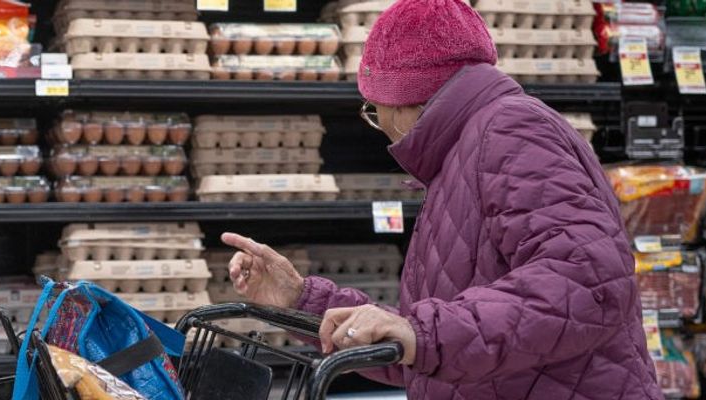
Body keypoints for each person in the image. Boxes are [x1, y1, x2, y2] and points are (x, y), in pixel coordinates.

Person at [221, 0, 662, 398]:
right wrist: (302, 299)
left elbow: (588, 282)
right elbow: (435, 354)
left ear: (407, 100)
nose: (383, 131)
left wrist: (421, 334)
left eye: (374, 111)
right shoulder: (464, 155)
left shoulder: (511, 131)